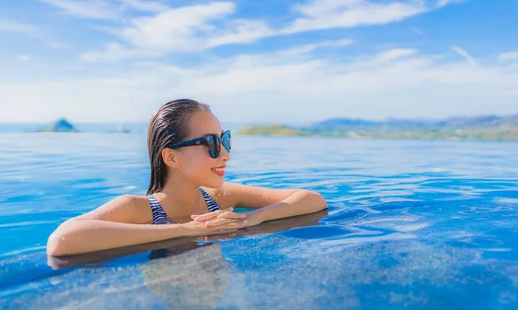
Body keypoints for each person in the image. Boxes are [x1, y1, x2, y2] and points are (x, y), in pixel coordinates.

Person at [47, 99, 328, 256]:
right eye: (212, 144)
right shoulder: (137, 208)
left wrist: (251, 218)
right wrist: (187, 230)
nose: (225, 155)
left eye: (225, 141)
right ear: (171, 157)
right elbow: (62, 240)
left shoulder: (220, 197)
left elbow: (312, 199)